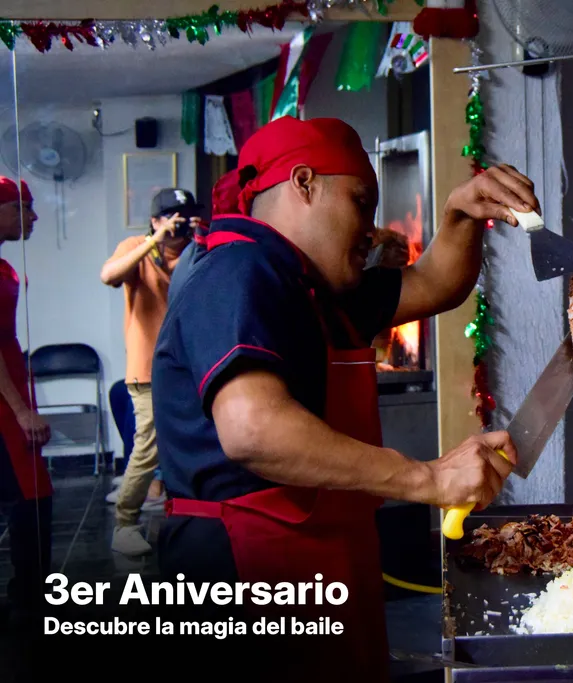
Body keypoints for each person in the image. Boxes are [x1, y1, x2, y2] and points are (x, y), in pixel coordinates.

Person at [152, 116, 536, 680]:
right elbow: (253, 429)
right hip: (247, 569)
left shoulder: (312, 288)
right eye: (360, 201)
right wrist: (428, 479)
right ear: (304, 184)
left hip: (316, 561)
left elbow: (436, 283)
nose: (372, 230)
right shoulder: (239, 270)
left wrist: (460, 214)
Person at [99, 188, 202, 556]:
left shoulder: (197, 249)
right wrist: (155, 240)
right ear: (156, 220)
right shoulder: (137, 247)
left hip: (191, 367)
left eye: (185, 216)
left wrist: (202, 237)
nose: (179, 224)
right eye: (172, 217)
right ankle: (125, 523)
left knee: (193, 442)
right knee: (148, 446)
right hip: (147, 369)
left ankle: (187, 513)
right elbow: (109, 275)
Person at [0, 177, 52, 621]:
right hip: (5, 400)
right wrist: (19, 410)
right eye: (20, 208)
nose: (32, 217)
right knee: (30, 496)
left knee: (32, 495)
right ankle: (28, 599)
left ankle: (29, 596)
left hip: (13, 387)